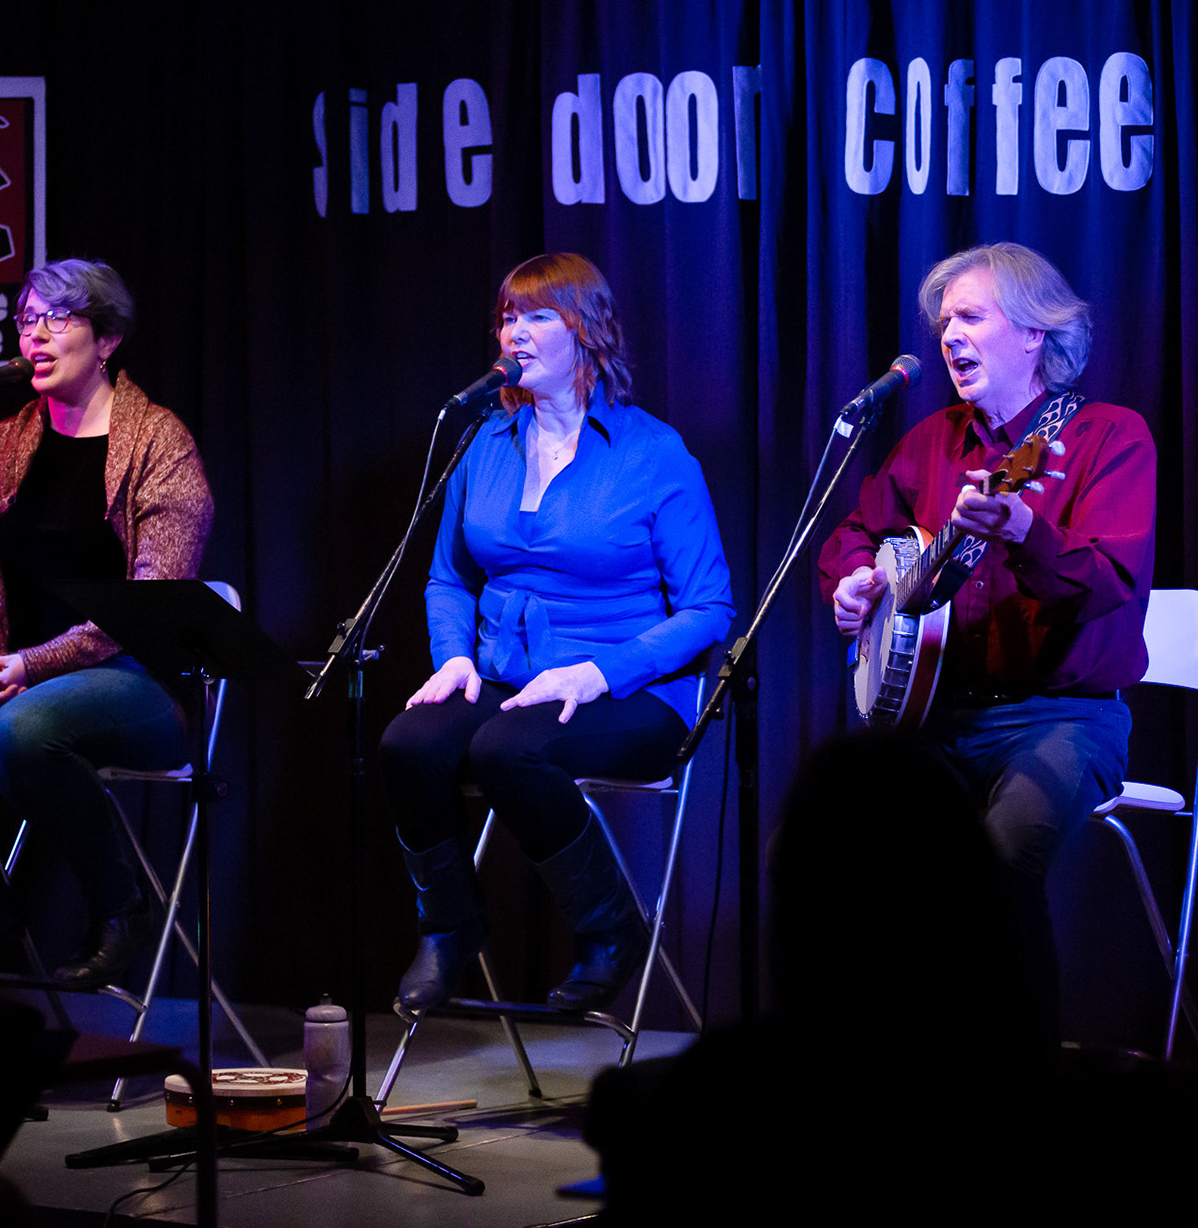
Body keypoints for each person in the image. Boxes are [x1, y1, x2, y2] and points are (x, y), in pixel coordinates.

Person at [379, 252, 733, 1019]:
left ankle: (611, 930)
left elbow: (709, 609)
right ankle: (449, 928)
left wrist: (598, 673)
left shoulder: (652, 453)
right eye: (508, 316)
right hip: (510, 677)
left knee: (508, 750)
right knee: (409, 744)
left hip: (630, 691)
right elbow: (448, 578)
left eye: (538, 315)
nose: (516, 331)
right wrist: (454, 658)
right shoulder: (483, 443)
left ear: (587, 330)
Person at [817, 243, 1155, 1036]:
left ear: (1035, 333)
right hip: (937, 721)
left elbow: (1108, 581)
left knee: (998, 867)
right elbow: (854, 532)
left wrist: (1027, 530)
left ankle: (1019, 1081)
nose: (949, 336)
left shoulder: (1108, 436)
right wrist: (854, 577)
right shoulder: (931, 441)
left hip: (1064, 717)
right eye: (944, 323)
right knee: (836, 860)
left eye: (970, 317)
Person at [0, 258, 213, 991]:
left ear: (108, 338)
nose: (35, 335)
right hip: (16, 670)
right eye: (27, 319)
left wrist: (36, 665)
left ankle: (123, 908)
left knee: (19, 733)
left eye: (58, 318)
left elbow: (149, 600)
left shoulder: (160, 444)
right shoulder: (0, 445)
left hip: (136, 677)